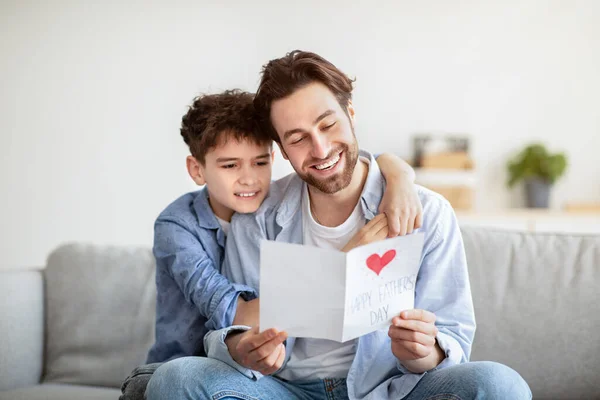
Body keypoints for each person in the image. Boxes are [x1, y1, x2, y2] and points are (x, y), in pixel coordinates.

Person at [145, 51, 532, 400]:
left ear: (351, 112)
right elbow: (233, 326)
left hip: (391, 389)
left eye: (328, 125)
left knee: (501, 386)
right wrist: (243, 348)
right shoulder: (257, 218)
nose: (320, 149)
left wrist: (423, 352)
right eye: (297, 139)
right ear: (280, 149)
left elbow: (453, 335)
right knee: (176, 380)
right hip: (284, 391)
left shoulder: (426, 211)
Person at [120, 89, 423, 400]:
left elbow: (359, 161)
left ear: (275, 157)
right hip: (197, 367)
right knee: (158, 384)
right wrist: (344, 262)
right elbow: (235, 317)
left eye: (260, 162)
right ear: (197, 170)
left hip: (251, 375)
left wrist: (398, 173)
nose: (249, 179)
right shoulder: (177, 229)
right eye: (230, 166)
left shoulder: (271, 213)